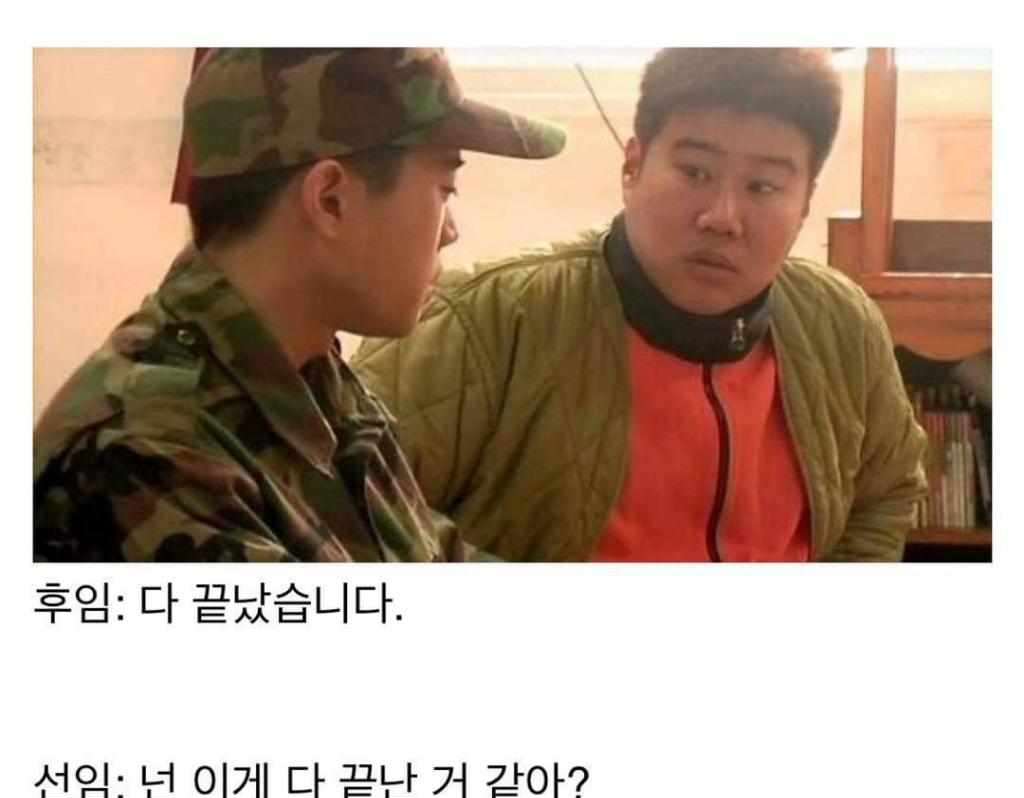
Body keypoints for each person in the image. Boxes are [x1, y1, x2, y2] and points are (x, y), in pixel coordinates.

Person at [353, 48, 928, 562]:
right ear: (632, 166)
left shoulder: (840, 322)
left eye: (763, 187)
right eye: (695, 172)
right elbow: (348, 508)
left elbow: (886, 491)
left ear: (804, 203)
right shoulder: (489, 319)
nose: (722, 217)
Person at [33, 48, 565, 561]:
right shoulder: (149, 456)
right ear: (330, 199)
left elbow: (429, 556)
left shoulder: (307, 370)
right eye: (445, 189)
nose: (450, 231)